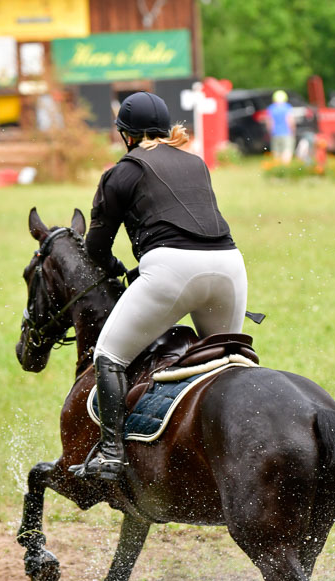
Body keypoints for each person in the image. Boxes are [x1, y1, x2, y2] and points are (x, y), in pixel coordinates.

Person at [70, 91, 248, 481]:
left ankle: (113, 456)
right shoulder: (197, 162)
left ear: (126, 136)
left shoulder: (121, 173)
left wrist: (122, 270)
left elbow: (96, 248)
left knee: (109, 357)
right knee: (230, 362)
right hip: (230, 267)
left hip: (171, 270)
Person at [266, 90, 295, 164]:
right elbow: (290, 120)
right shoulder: (287, 107)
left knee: (276, 152)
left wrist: (270, 132)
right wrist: (293, 130)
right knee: (287, 150)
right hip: (286, 133)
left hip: (275, 133)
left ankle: (277, 167)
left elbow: (269, 122)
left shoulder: (271, 108)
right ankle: (285, 167)